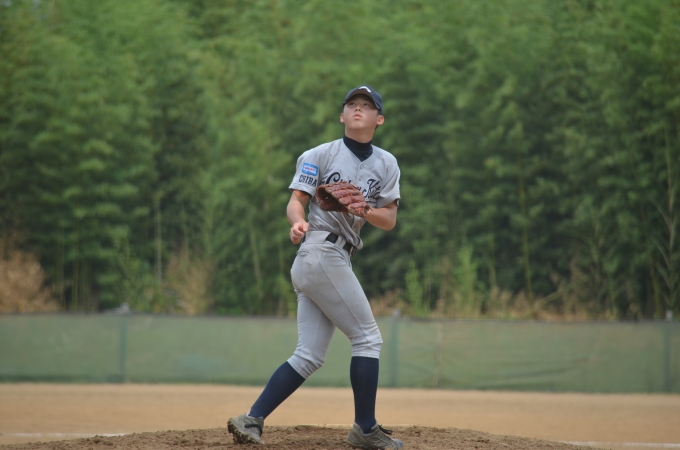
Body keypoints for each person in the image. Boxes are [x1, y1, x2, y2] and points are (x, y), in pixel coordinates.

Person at [227, 85, 403, 450]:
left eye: (366, 105)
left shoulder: (387, 163)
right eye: (351, 104)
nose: (358, 108)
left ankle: (251, 419)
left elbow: (389, 220)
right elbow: (297, 201)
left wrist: (364, 210)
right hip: (320, 250)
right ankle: (365, 428)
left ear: (379, 119)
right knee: (368, 338)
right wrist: (297, 223)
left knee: (309, 355)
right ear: (341, 116)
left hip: (331, 259)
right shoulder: (319, 154)